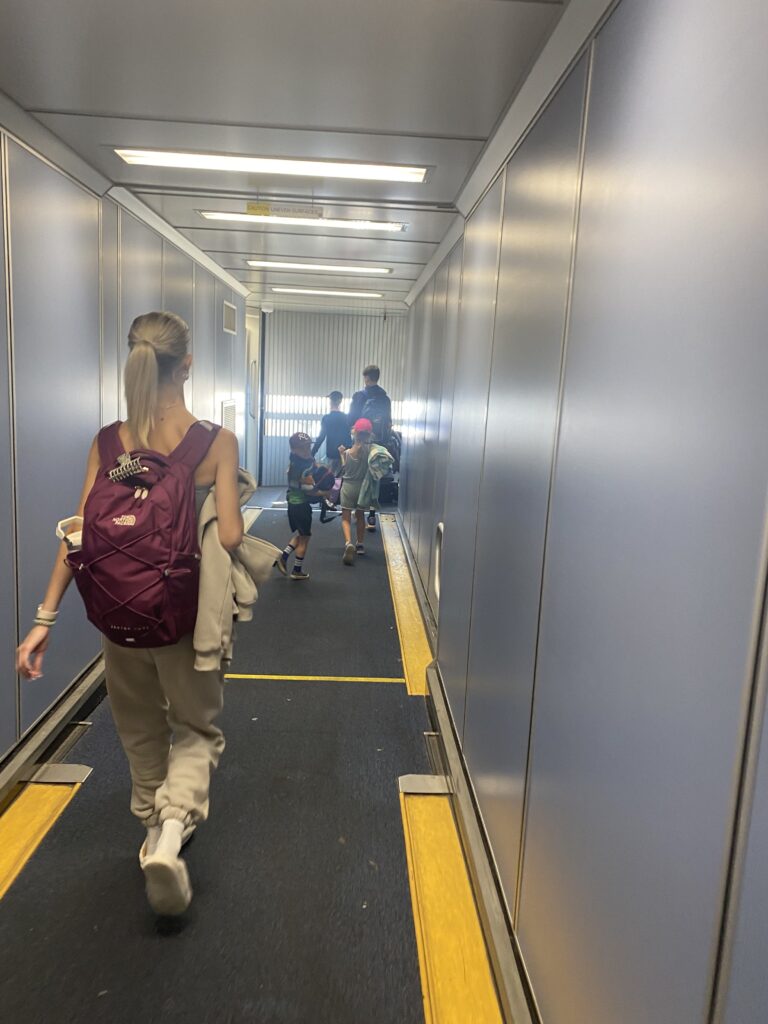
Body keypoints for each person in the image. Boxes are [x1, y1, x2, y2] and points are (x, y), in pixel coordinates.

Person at [15, 311, 243, 917]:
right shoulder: (214, 442)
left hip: (119, 618)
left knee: (139, 727)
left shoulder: (108, 441)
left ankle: (149, 829)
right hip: (184, 622)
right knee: (195, 729)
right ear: (186, 364)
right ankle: (173, 830)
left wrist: (45, 619)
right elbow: (231, 538)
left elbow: (79, 534)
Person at [347, 366, 392, 532]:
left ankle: (358, 510)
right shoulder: (385, 398)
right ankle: (372, 514)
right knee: (374, 475)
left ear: (366, 378)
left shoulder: (359, 396)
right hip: (378, 442)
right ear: (377, 378)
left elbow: (351, 418)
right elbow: (388, 423)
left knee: (358, 474)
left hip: (360, 440)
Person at [275, 431, 324, 580]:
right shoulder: (297, 467)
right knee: (305, 538)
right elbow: (304, 488)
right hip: (300, 505)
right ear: (294, 449)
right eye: (303, 448)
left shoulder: (299, 460)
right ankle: (297, 570)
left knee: (302, 535)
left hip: (295, 504)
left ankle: (283, 557)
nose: (307, 451)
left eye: (308, 447)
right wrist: (323, 493)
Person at [312, 390, 350, 476]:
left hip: (331, 453)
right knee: (342, 479)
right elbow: (348, 436)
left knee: (329, 480)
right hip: (344, 454)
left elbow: (321, 437)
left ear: (330, 402)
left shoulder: (326, 418)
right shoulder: (346, 418)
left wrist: (312, 453)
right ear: (340, 402)